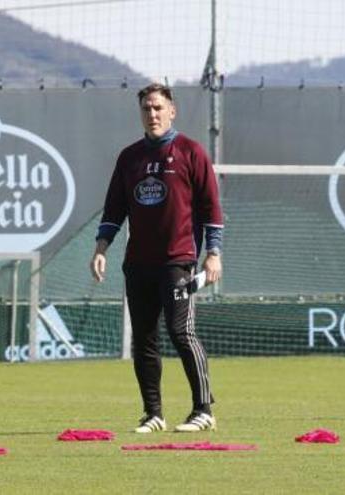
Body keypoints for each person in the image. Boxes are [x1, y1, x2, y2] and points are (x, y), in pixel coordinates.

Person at [89, 83, 224, 433]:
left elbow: (212, 207)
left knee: (182, 332)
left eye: (158, 108)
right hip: (138, 264)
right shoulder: (129, 157)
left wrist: (213, 253)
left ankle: (203, 409)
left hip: (178, 261)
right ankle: (153, 414)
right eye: (147, 108)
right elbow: (115, 207)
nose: (152, 114)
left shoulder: (191, 152)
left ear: (172, 110)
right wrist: (101, 247)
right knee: (144, 340)